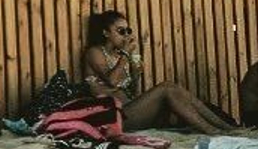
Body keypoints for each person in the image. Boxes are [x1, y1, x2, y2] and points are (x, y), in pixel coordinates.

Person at [80, 10, 232, 134]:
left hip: (131, 112)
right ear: (106, 33)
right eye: (121, 31)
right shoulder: (95, 52)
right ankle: (213, 130)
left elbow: (132, 91)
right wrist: (126, 56)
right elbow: (111, 81)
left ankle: (225, 126)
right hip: (114, 118)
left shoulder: (120, 57)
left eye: (128, 31)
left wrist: (135, 72)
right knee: (166, 87)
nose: (126, 36)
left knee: (173, 89)